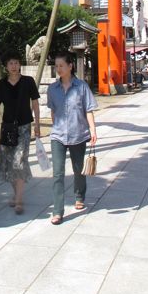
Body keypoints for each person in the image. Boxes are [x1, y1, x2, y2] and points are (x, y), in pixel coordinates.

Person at [0, 52, 41, 215]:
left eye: (16, 62)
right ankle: (16, 193)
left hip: (24, 126)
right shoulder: (1, 84)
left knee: (19, 161)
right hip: (7, 128)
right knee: (9, 163)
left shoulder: (28, 82)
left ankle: (19, 199)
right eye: (11, 63)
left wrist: (37, 124)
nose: (14, 66)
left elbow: (36, 103)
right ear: (6, 66)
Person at [47, 52, 98, 225]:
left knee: (78, 169)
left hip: (78, 134)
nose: (58, 69)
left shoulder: (82, 87)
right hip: (58, 135)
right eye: (56, 66)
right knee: (58, 174)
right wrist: (55, 128)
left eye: (61, 65)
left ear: (70, 66)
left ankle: (79, 195)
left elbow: (88, 110)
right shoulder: (52, 89)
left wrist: (93, 130)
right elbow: (53, 112)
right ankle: (57, 211)